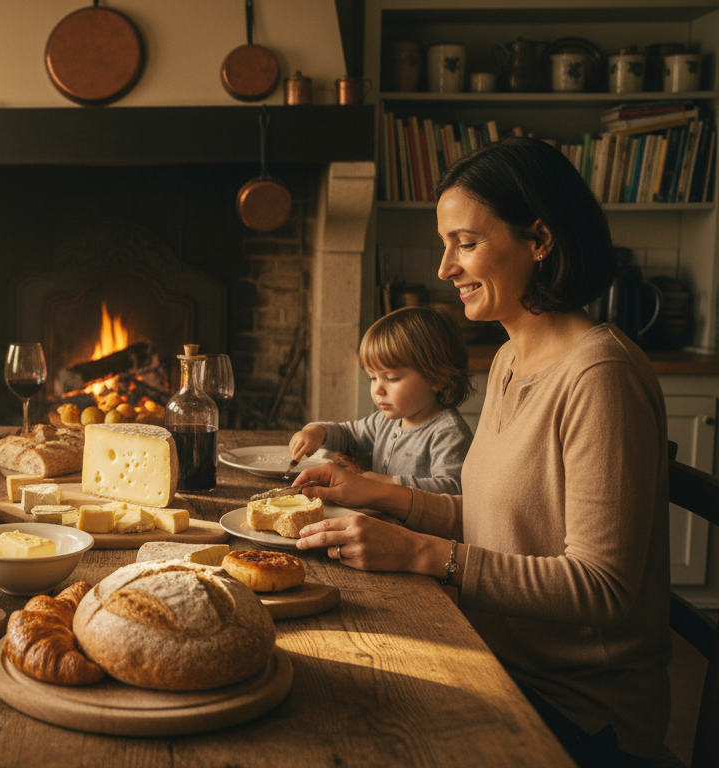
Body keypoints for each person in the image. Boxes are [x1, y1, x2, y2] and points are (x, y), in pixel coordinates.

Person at [291, 137, 670, 767]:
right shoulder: (507, 359)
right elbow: (505, 518)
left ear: (539, 241)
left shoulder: (600, 375)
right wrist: (380, 495)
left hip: (575, 706)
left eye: (464, 243)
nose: (444, 268)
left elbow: (602, 588)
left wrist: (419, 551)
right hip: (490, 649)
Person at [287, 306, 473, 494]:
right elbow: (348, 435)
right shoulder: (384, 422)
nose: (378, 389)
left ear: (437, 379)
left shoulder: (449, 433)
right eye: (373, 378)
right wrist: (316, 432)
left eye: (391, 378)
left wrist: (372, 480)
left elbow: (453, 489)